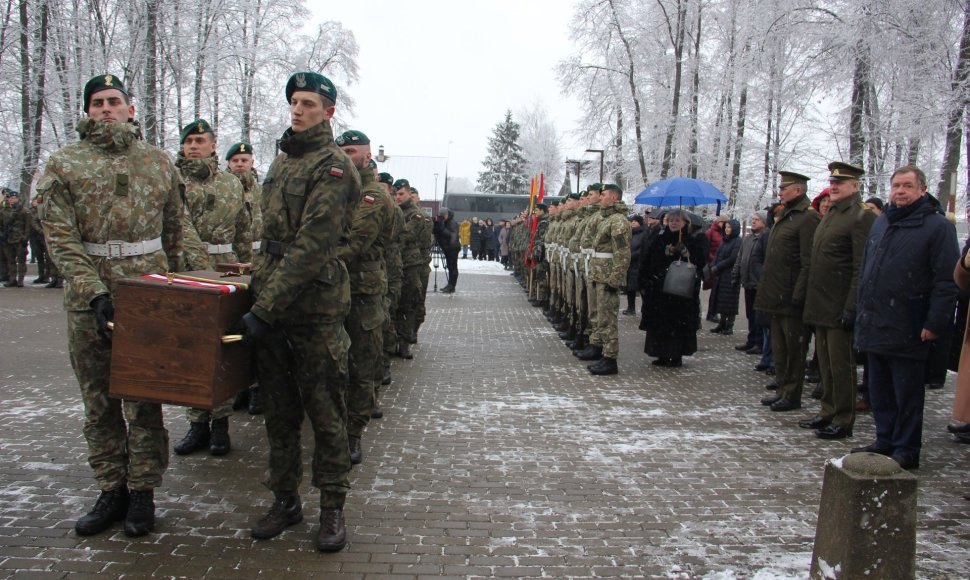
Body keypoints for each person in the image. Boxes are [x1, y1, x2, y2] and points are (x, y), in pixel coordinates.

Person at [38, 73, 187, 537]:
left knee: (144, 398)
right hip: (91, 301)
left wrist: (184, 290)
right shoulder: (64, 165)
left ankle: (143, 491)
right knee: (99, 400)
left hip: (147, 295)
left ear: (131, 109)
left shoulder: (159, 163)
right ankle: (111, 489)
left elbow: (177, 231)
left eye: (114, 101)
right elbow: (59, 236)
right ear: (87, 111)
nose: (106, 108)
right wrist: (93, 291)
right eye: (97, 102)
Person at [235, 71, 359, 551]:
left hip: (313, 310)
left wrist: (263, 308)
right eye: (294, 101)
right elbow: (270, 241)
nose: (298, 109)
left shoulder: (333, 167)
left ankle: (332, 509)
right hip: (273, 308)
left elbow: (310, 247)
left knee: (326, 412)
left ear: (328, 112)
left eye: (309, 103)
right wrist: (253, 294)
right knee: (279, 413)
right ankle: (285, 501)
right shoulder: (282, 161)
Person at [852, 165, 959, 470]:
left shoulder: (937, 227)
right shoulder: (883, 221)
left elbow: (945, 281)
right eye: (896, 185)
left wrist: (934, 323)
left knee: (907, 393)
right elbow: (867, 270)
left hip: (910, 324)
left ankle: (906, 448)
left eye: (907, 186)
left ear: (922, 190)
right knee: (880, 389)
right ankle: (884, 439)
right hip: (876, 321)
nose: (899, 191)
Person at [171, 119, 250, 458]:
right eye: (189, 140)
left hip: (226, 270)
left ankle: (220, 424)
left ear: (214, 146)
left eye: (200, 140)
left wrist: (248, 273)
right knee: (189, 350)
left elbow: (244, 230)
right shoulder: (172, 180)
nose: (193, 146)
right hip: (186, 272)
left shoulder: (232, 184)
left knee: (220, 350)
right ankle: (196, 424)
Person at [798, 162, 877, 440]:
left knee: (841, 365)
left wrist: (852, 306)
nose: (833, 186)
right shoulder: (832, 213)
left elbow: (860, 266)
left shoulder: (860, 217)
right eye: (832, 182)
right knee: (826, 365)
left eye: (840, 183)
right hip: (820, 303)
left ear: (855, 186)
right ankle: (828, 410)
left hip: (839, 305)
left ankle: (843, 419)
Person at [336, 129, 392, 465]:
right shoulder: (339, 189)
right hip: (333, 289)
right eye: (340, 150)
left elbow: (352, 244)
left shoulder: (372, 197)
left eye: (351, 151)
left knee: (360, 365)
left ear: (367, 157)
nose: (344, 155)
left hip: (362, 291)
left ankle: (353, 434)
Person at [756, 171, 819, 412]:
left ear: (798, 190)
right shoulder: (786, 216)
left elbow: (807, 261)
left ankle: (792, 394)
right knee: (780, 349)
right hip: (776, 295)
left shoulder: (807, 218)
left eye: (785, 188)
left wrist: (798, 295)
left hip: (791, 296)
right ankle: (783, 388)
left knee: (794, 350)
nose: (780, 191)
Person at [638, 209, 707, 367]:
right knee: (660, 324)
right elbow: (648, 259)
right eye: (671, 220)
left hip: (680, 292)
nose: (674, 223)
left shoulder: (691, 240)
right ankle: (661, 353)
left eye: (677, 220)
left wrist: (685, 253)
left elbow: (700, 262)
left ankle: (676, 355)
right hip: (660, 290)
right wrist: (644, 280)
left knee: (677, 324)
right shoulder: (660, 238)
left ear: (685, 223)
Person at [225, 141, 264, 415]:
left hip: (258, 264)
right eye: (235, 160)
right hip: (228, 265)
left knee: (258, 328)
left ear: (252, 163)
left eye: (245, 160)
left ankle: (257, 388)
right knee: (231, 327)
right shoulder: (223, 189)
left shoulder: (262, 192)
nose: (240, 164)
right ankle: (237, 387)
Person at [586, 184, 632, 375]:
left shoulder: (618, 221)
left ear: (614, 198)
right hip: (599, 275)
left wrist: (615, 279)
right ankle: (601, 350)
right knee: (600, 316)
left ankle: (610, 358)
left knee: (608, 318)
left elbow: (622, 253)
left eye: (603, 195)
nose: (601, 197)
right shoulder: (607, 219)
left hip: (608, 278)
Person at [393, 178, 426, 359]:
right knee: (393, 305)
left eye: (401, 194)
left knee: (407, 304)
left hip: (409, 264)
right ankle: (392, 341)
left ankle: (404, 342)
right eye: (396, 194)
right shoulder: (394, 211)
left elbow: (404, 234)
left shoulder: (416, 214)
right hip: (394, 263)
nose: (398, 197)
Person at [733, 211, 768, 353]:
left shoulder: (765, 238)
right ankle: (751, 340)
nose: (754, 222)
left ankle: (759, 343)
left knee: (758, 315)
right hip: (747, 281)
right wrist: (736, 274)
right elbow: (740, 257)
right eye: (753, 219)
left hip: (758, 282)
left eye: (757, 220)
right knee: (750, 314)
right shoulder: (747, 239)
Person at [708, 219, 742, 335]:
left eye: (729, 227)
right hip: (720, 275)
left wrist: (718, 267)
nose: (727, 229)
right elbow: (718, 254)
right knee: (721, 300)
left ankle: (729, 325)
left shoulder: (737, 241)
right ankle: (722, 323)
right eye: (726, 227)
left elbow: (733, 258)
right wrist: (714, 264)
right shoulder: (724, 240)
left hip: (730, 275)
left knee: (730, 301)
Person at [0, 190, 28, 287]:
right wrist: (2, 235)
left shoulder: (23, 211)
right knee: (10, 260)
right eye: (11, 198)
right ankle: (12, 279)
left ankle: (20, 280)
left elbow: (28, 226)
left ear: (18, 199)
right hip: (8, 239)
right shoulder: (3, 211)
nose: (12, 199)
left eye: (14, 198)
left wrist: (25, 237)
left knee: (21, 261)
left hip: (19, 239)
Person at [433, 207, 460, 293]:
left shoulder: (453, 223)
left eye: (443, 215)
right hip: (447, 248)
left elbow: (452, 235)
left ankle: (452, 286)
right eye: (441, 216)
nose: (442, 217)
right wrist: (436, 224)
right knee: (449, 266)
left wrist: (441, 228)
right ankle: (450, 285)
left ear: (447, 214)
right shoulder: (443, 221)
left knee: (452, 267)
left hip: (453, 248)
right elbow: (437, 232)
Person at [623, 215, 646, 316]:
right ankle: (630, 307)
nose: (633, 223)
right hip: (629, 264)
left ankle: (644, 308)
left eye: (635, 221)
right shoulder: (629, 233)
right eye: (632, 221)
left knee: (641, 287)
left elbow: (642, 248)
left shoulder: (643, 234)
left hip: (637, 263)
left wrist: (632, 255)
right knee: (630, 288)